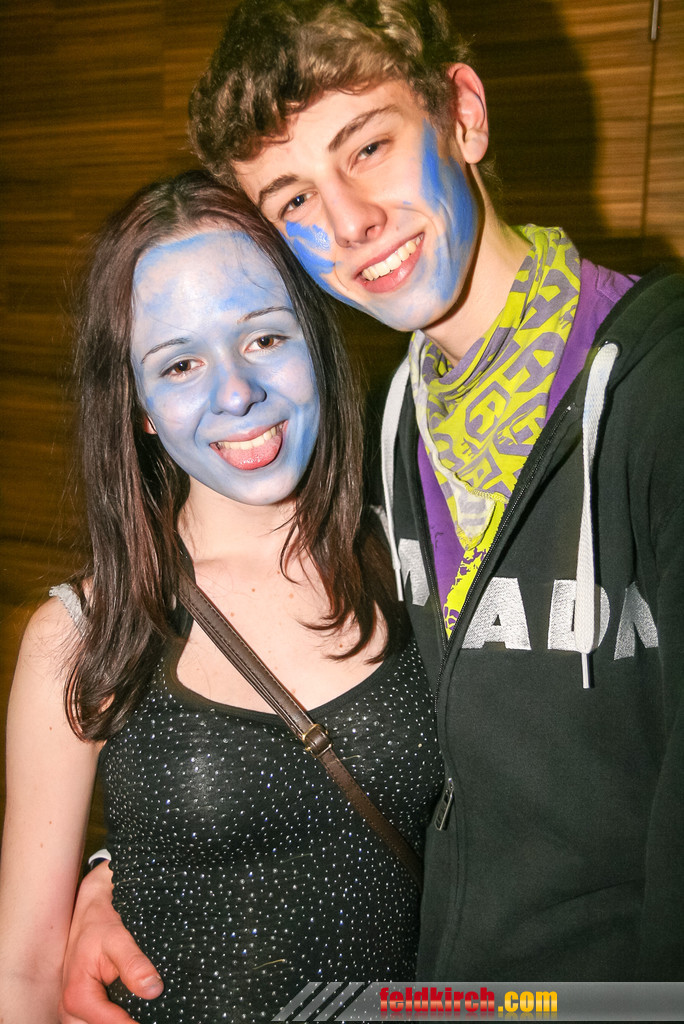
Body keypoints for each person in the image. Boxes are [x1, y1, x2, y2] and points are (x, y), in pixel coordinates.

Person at [56, 0, 684, 1014]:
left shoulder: (660, 399)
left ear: (464, 114)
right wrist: (118, 872)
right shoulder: (391, 442)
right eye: (295, 197)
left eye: (369, 147)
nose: (350, 223)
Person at [0, 169, 444, 1023]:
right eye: (180, 363)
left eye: (265, 338)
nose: (236, 393)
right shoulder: (84, 632)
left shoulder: (423, 562)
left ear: (316, 339)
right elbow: (22, 977)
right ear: (140, 408)